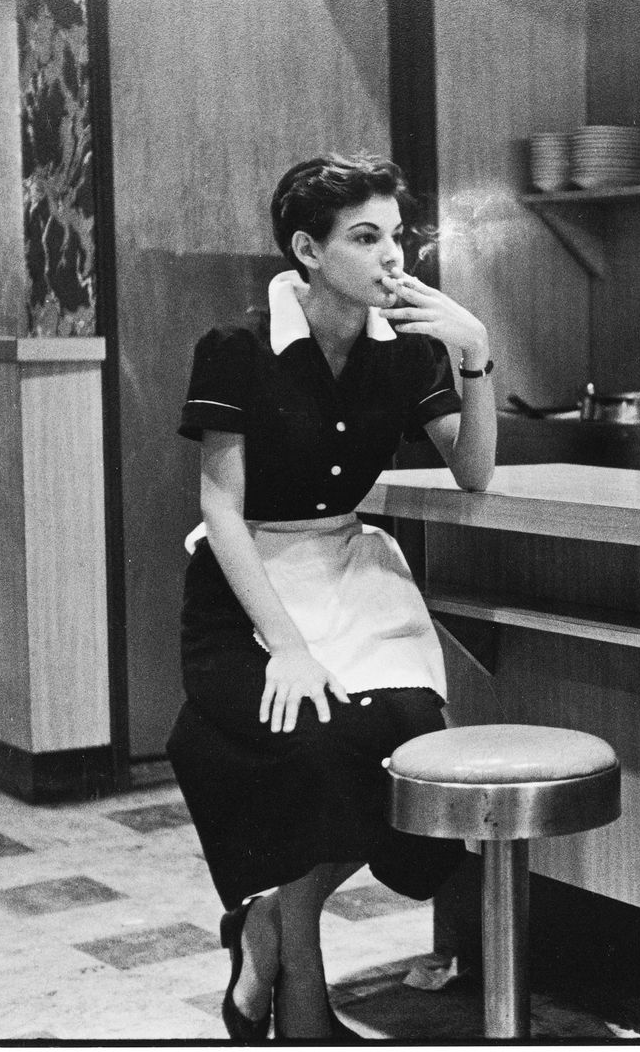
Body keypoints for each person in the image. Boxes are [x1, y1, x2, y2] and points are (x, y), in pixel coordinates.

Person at [165, 153, 497, 1040]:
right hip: (247, 594)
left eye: (398, 237)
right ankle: (301, 972)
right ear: (308, 251)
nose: (393, 257)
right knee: (316, 748)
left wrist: (475, 354)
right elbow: (221, 511)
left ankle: (268, 927)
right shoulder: (236, 349)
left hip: (352, 581)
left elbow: (473, 473)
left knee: (410, 741)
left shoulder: (409, 351)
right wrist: (288, 646)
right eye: (365, 237)